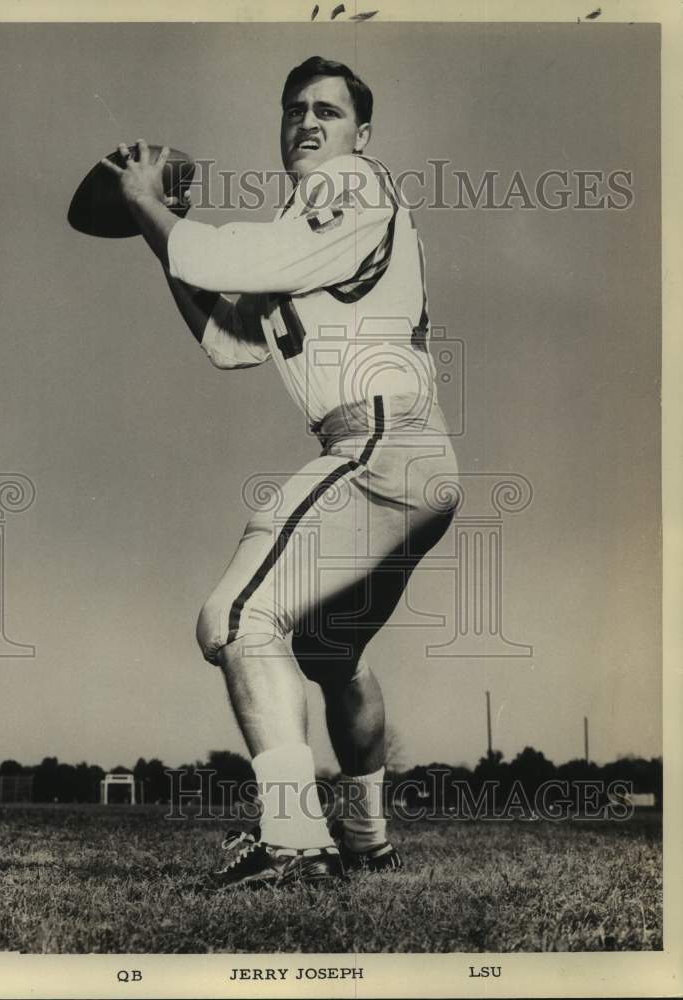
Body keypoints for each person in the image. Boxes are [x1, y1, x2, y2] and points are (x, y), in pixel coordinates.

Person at [102, 55, 459, 889]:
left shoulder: (347, 185)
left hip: (378, 443)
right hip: (416, 459)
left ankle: (293, 836)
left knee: (234, 618)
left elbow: (229, 262)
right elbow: (229, 341)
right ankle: (369, 846)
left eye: (328, 111)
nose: (308, 122)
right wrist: (167, 240)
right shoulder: (310, 229)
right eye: (295, 109)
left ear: (361, 135)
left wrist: (152, 209)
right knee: (331, 654)